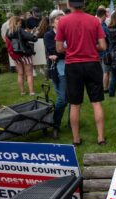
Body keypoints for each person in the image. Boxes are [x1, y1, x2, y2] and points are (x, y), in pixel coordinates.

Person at [55, 0, 107, 146]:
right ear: (83, 4)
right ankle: (101, 137)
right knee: (96, 102)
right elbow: (103, 45)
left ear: (69, 4)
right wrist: (89, 47)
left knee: (75, 104)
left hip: (73, 66)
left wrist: (72, 49)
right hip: (92, 64)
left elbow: (59, 48)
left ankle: (76, 139)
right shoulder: (94, 20)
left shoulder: (63, 21)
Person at [44, 10, 67, 139]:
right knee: (62, 99)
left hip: (71, 67)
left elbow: (60, 52)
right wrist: (61, 53)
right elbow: (53, 50)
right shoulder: (48, 35)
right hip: (58, 70)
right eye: (58, 19)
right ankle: (55, 125)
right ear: (53, 22)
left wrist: (60, 53)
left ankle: (71, 124)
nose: (62, 21)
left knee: (73, 99)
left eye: (63, 19)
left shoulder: (68, 33)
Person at [6, 16, 38, 96]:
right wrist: (35, 33)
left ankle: (22, 92)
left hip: (16, 55)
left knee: (20, 74)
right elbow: (33, 38)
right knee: (29, 73)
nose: (21, 24)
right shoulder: (20, 30)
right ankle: (31, 92)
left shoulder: (8, 32)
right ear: (17, 22)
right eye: (20, 22)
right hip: (25, 54)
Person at [96, 7, 111, 94]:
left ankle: (101, 86)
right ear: (104, 15)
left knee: (100, 71)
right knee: (106, 72)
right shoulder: (102, 26)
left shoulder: (94, 24)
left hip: (97, 51)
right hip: (104, 52)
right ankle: (105, 88)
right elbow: (107, 40)